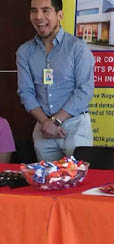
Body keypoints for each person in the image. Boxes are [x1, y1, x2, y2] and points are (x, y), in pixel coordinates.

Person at [17, 0, 94, 162]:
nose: (38, 17)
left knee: (79, 181)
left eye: (46, 10)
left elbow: (84, 90)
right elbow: (26, 92)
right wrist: (46, 122)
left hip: (75, 126)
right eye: (34, 11)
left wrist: (57, 121)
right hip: (43, 128)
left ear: (59, 15)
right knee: (48, 183)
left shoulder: (77, 48)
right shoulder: (24, 52)